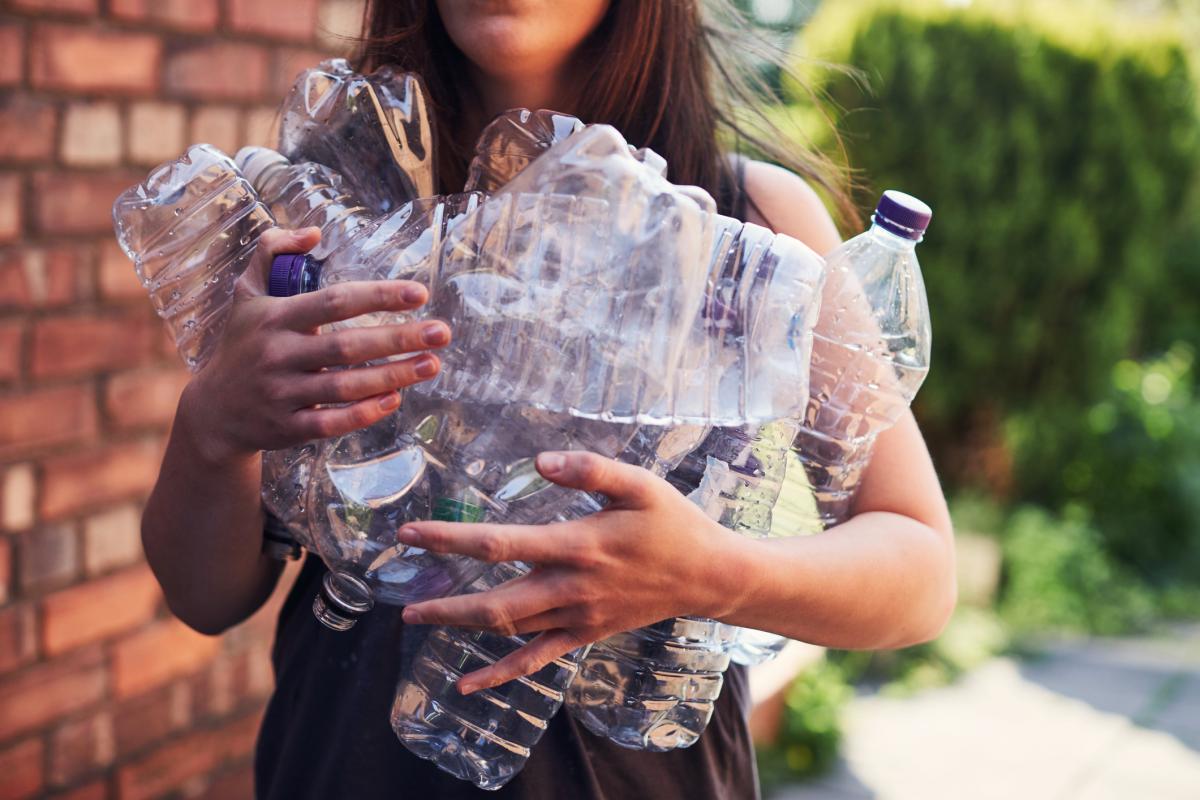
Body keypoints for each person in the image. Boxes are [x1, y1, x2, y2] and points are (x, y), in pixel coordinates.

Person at [140, 1, 956, 797]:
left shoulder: (753, 226)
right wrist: (213, 427)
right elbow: (206, 597)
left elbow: (919, 569)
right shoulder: (326, 206)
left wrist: (714, 573)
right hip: (338, 766)